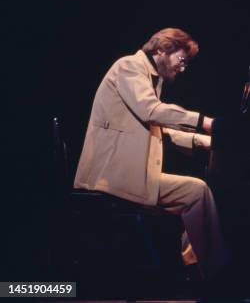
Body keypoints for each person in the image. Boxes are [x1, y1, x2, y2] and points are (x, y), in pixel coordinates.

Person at [74, 27, 227, 279]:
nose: (183, 67)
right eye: (182, 59)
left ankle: (199, 268)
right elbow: (151, 111)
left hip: (126, 174)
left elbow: (162, 130)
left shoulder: (147, 78)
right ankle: (213, 274)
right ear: (161, 50)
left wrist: (207, 142)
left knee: (196, 193)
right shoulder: (129, 67)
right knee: (196, 192)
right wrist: (205, 121)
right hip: (110, 177)